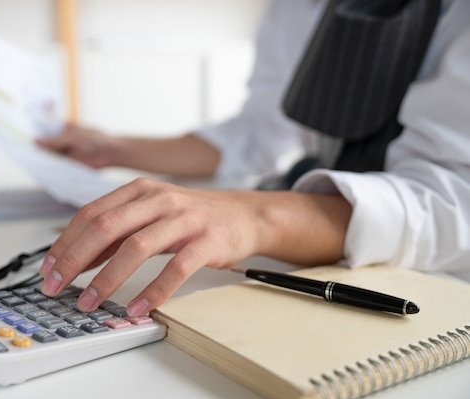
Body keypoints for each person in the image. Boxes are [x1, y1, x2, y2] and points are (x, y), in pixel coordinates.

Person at [37, 0, 470, 317]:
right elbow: (262, 129)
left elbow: (453, 201)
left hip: (441, 289)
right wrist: (115, 148)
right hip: (339, 264)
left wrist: (254, 216)